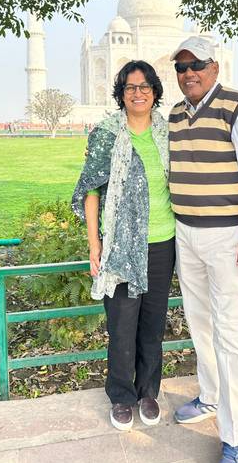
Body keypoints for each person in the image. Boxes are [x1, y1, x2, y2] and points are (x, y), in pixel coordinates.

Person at [168, 36, 238, 463]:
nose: (189, 73)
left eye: (198, 65)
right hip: (185, 233)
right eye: (182, 67)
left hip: (228, 237)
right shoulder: (175, 114)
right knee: (199, 321)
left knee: (229, 334)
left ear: (215, 67)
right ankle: (210, 396)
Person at [72, 60, 175, 432]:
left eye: (145, 86)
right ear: (121, 93)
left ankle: (148, 391)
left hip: (163, 243)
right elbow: (90, 190)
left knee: (152, 323)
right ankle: (121, 395)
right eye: (131, 87)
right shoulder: (107, 133)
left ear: (155, 92)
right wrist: (94, 244)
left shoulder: (167, 132)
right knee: (122, 323)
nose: (138, 92)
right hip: (119, 246)